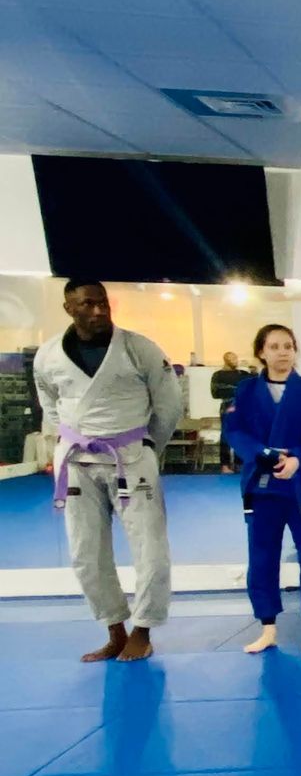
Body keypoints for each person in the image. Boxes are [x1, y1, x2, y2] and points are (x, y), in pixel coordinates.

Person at [34, 279, 184, 662]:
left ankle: (143, 629)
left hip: (131, 455)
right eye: (87, 304)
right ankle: (115, 629)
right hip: (77, 462)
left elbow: (168, 405)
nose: (99, 311)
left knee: (150, 546)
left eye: (102, 303)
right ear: (69, 308)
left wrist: (147, 446)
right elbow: (50, 405)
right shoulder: (48, 355)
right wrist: (74, 437)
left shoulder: (139, 348)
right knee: (86, 552)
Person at [226, 324, 301, 655]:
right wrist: (264, 455)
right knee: (261, 557)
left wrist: (297, 458)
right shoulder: (246, 390)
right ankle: (268, 628)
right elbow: (234, 431)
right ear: (261, 352)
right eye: (274, 346)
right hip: (262, 485)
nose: (283, 352)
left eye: (288, 345)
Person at [210, 351, 251, 473]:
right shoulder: (218, 375)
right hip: (228, 406)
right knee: (226, 435)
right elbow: (215, 393)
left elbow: (252, 387)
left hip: (241, 407)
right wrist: (237, 390)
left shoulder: (244, 374)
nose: (235, 361)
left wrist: (254, 372)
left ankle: (239, 463)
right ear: (226, 360)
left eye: (235, 358)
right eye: (232, 358)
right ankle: (225, 465)